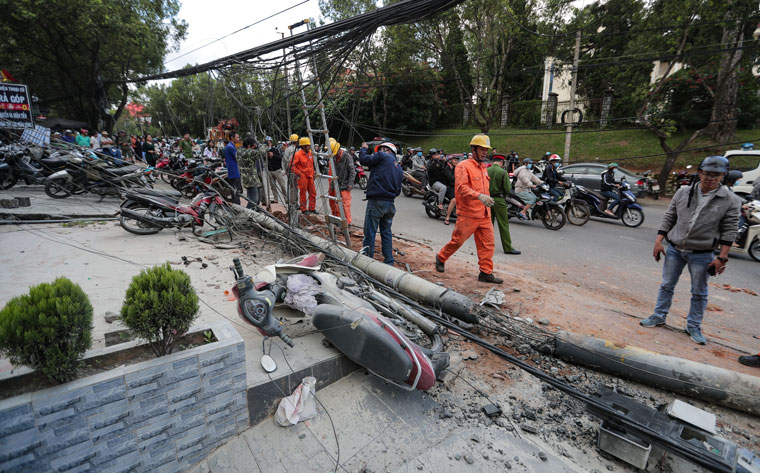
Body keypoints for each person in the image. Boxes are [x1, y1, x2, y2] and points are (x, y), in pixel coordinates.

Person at [639, 156, 741, 345]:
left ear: (723, 176)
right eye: (707, 174)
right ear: (700, 173)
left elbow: (730, 229)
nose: (711, 178)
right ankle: (659, 316)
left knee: (699, 292)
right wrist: (658, 241)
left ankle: (693, 325)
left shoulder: (730, 200)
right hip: (675, 249)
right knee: (667, 285)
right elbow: (670, 216)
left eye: (716, 175)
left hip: (702, 254)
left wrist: (722, 258)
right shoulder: (683, 192)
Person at [435, 134, 502, 284]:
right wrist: (479, 196)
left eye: (486, 150)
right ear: (473, 149)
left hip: (484, 213)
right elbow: (461, 188)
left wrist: (485, 198)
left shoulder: (483, 168)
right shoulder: (463, 166)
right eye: (482, 149)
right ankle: (441, 257)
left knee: (488, 244)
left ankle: (485, 272)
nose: (485, 152)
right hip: (469, 213)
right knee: (457, 241)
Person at [358, 141, 403, 264]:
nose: (379, 152)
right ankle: (389, 261)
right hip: (390, 203)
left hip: (377, 201)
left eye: (381, 149)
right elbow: (398, 190)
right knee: (386, 233)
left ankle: (367, 262)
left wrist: (363, 149)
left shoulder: (383, 156)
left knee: (370, 233)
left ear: (387, 150)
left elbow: (364, 160)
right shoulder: (399, 167)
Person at [488, 154, 520, 255]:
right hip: (499, 200)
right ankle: (507, 248)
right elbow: (507, 188)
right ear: (501, 162)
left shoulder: (486, 170)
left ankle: (487, 246)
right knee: (503, 225)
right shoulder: (503, 172)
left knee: (488, 225)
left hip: (487, 199)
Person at [328, 138, 355, 224]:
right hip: (336, 183)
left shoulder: (347, 157)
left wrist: (350, 184)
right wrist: (331, 185)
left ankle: (347, 223)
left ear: (339, 150)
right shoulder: (333, 158)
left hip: (345, 184)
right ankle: (336, 219)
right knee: (333, 203)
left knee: (345, 205)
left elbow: (352, 172)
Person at [291, 137, 316, 214]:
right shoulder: (297, 154)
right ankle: (303, 209)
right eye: (308, 145)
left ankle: (312, 208)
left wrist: (314, 172)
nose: (309, 146)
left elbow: (312, 164)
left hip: (310, 176)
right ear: (303, 146)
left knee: (313, 192)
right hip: (303, 177)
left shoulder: (310, 153)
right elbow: (292, 166)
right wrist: (300, 174)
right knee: (303, 193)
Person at [238, 137, 261, 209]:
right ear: (248, 146)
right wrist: (261, 145)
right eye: (253, 147)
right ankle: (247, 216)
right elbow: (261, 151)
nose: (254, 149)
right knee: (254, 200)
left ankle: (254, 214)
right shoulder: (246, 152)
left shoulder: (239, 151)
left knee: (256, 199)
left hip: (251, 179)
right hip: (250, 180)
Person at [265, 136, 287, 204]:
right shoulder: (264, 151)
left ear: (271, 143)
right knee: (273, 186)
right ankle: (275, 199)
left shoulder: (275, 150)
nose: (267, 144)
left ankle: (286, 199)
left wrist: (273, 155)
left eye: (268, 143)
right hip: (269, 170)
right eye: (266, 143)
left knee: (282, 185)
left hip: (277, 170)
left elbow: (280, 158)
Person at [224, 134, 242, 205]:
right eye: (237, 137)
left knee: (235, 191)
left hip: (233, 171)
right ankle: (237, 207)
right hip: (233, 172)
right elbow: (238, 157)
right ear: (232, 137)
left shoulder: (230, 146)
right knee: (235, 192)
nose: (238, 139)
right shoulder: (230, 147)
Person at [443, 155, 459, 225]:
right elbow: (451, 178)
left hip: (456, 186)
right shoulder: (447, 168)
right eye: (454, 160)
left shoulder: (456, 168)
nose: (456, 161)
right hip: (449, 187)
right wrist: (459, 180)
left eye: (457, 160)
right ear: (450, 160)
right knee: (454, 200)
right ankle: (447, 217)